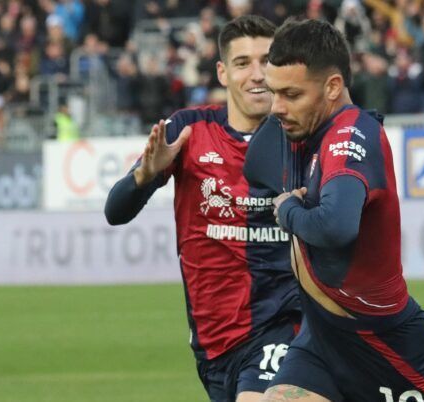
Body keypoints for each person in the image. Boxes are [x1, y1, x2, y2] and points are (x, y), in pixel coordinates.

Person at [248, 19, 424, 402]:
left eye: (291, 94)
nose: (276, 108)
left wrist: (288, 209)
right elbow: (255, 163)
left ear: (333, 87)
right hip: (321, 339)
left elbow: (335, 227)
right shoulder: (299, 130)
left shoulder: (349, 134)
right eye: (273, 92)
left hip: (385, 344)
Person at [104, 16, 300, 402]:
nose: (258, 74)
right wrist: (145, 175)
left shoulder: (300, 136)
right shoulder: (190, 128)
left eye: (268, 60)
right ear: (223, 73)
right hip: (213, 341)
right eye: (244, 63)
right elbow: (115, 211)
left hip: (283, 324)